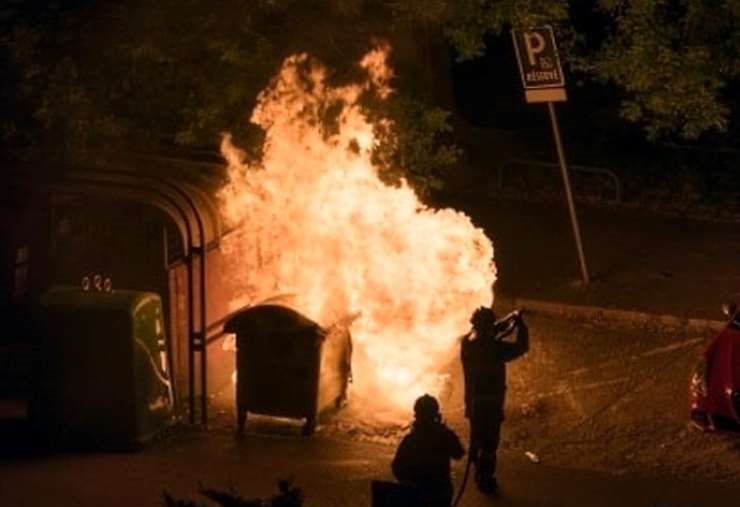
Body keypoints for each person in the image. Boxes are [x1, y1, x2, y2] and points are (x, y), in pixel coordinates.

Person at [460, 306, 529, 494]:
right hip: (490, 404)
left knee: (477, 437)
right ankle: (485, 478)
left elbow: (489, 332)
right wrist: (521, 326)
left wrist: (509, 318)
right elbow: (522, 347)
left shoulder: (466, 343)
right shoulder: (495, 350)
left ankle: (477, 465)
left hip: (473, 402)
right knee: (490, 444)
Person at [391, 394, 465, 507]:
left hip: (415, 496)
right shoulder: (445, 435)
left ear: (416, 415)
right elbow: (459, 453)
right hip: (440, 494)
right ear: (436, 414)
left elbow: (397, 468)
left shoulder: (410, 440)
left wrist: (410, 481)